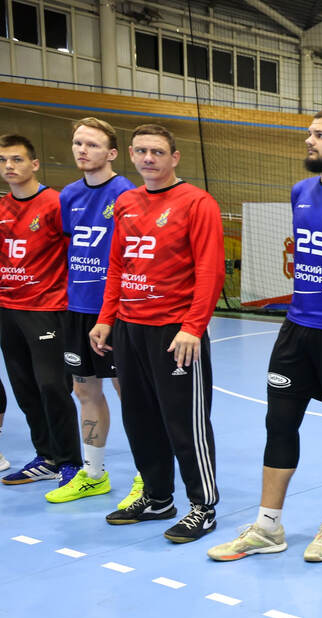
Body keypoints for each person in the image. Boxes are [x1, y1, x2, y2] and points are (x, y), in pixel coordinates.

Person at [206, 110, 322, 563]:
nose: (309, 140)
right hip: (297, 329)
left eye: (319, 135)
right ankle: (268, 526)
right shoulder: (301, 192)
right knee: (279, 422)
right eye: (309, 134)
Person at [89, 123, 224, 543]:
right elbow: (118, 265)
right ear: (131, 154)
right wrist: (107, 317)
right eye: (142, 151)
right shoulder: (126, 202)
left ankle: (203, 507)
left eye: (158, 152)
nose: (149, 158)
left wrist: (193, 327)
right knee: (139, 418)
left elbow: (210, 271)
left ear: (174, 157)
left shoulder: (197, 202)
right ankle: (157, 497)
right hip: (130, 328)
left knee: (185, 423)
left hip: (174, 332)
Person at [48, 117, 142, 506]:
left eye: (92, 144)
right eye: (78, 143)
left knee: (129, 393)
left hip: (116, 310)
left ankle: (148, 474)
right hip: (77, 308)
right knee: (84, 389)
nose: (82, 150)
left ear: (112, 153)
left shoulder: (127, 195)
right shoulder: (68, 195)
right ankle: (93, 474)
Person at [0, 133, 80, 486]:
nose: (9, 166)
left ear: (34, 164)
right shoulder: (2, 207)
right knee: (24, 388)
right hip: (7, 309)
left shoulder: (55, 203)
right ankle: (45, 456)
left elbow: (77, 254)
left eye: (16, 159)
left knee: (52, 386)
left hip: (47, 309)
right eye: (3, 160)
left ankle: (70, 462)